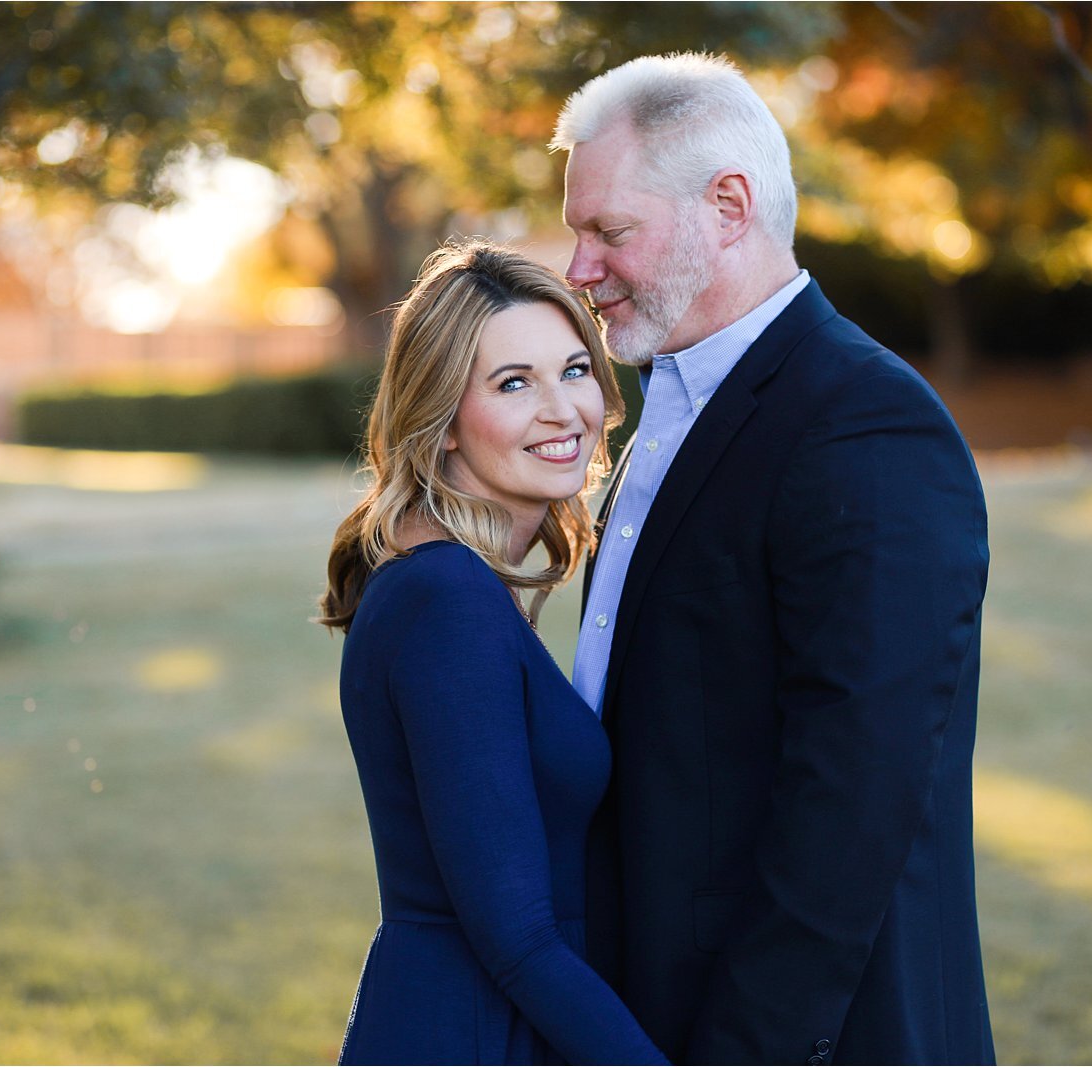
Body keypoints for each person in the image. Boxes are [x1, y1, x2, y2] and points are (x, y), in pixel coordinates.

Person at [551, 53, 995, 1065]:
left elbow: (855, 797)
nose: (578, 268)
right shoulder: (665, 407)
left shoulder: (863, 425)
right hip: (649, 1001)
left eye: (607, 230)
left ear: (728, 204)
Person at [318, 242, 669, 1065]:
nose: (563, 409)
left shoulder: (451, 584)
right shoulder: (445, 600)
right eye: (514, 383)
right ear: (439, 422)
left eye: (575, 369)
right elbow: (517, 938)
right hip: (473, 1034)